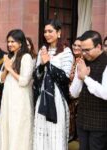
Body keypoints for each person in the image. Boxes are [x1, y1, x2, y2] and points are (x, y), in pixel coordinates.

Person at [33, 19, 74, 150]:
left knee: (55, 132)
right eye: (45, 31)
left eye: (50, 31)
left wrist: (47, 64)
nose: (47, 34)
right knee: (41, 132)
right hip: (43, 96)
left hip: (57, 98)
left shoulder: (66, 52)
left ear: (59, 32)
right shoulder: (42, 50)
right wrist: (41, 66)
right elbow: (36, 76)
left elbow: (65, 78)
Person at [0, 29, 34, 150]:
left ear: (21, 42)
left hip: (20, 100)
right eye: (8, 41)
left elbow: (24, 81)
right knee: (7, 127)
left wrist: (10, 69)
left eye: (13, 41)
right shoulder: (9, 56)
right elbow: (0, 79)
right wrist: (6, 68)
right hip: (8, 99)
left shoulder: (26, 57)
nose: (10, 44)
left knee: (18, 128)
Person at [70, 30, 107, 150]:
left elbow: (105, 93)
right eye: (82, 49)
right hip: (82, 120)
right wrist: (79, 77)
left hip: (100, 123)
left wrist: (85, 78)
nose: (84, 53)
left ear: (98, 46)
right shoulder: (82, 62)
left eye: (87, 50)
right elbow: (74, 92)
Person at [69, 37, 82, 141]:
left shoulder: (82, 61)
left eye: (79, 46)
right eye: (75, 45)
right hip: (69, 98)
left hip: (78, 98)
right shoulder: (71, 59)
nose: (76, 47)